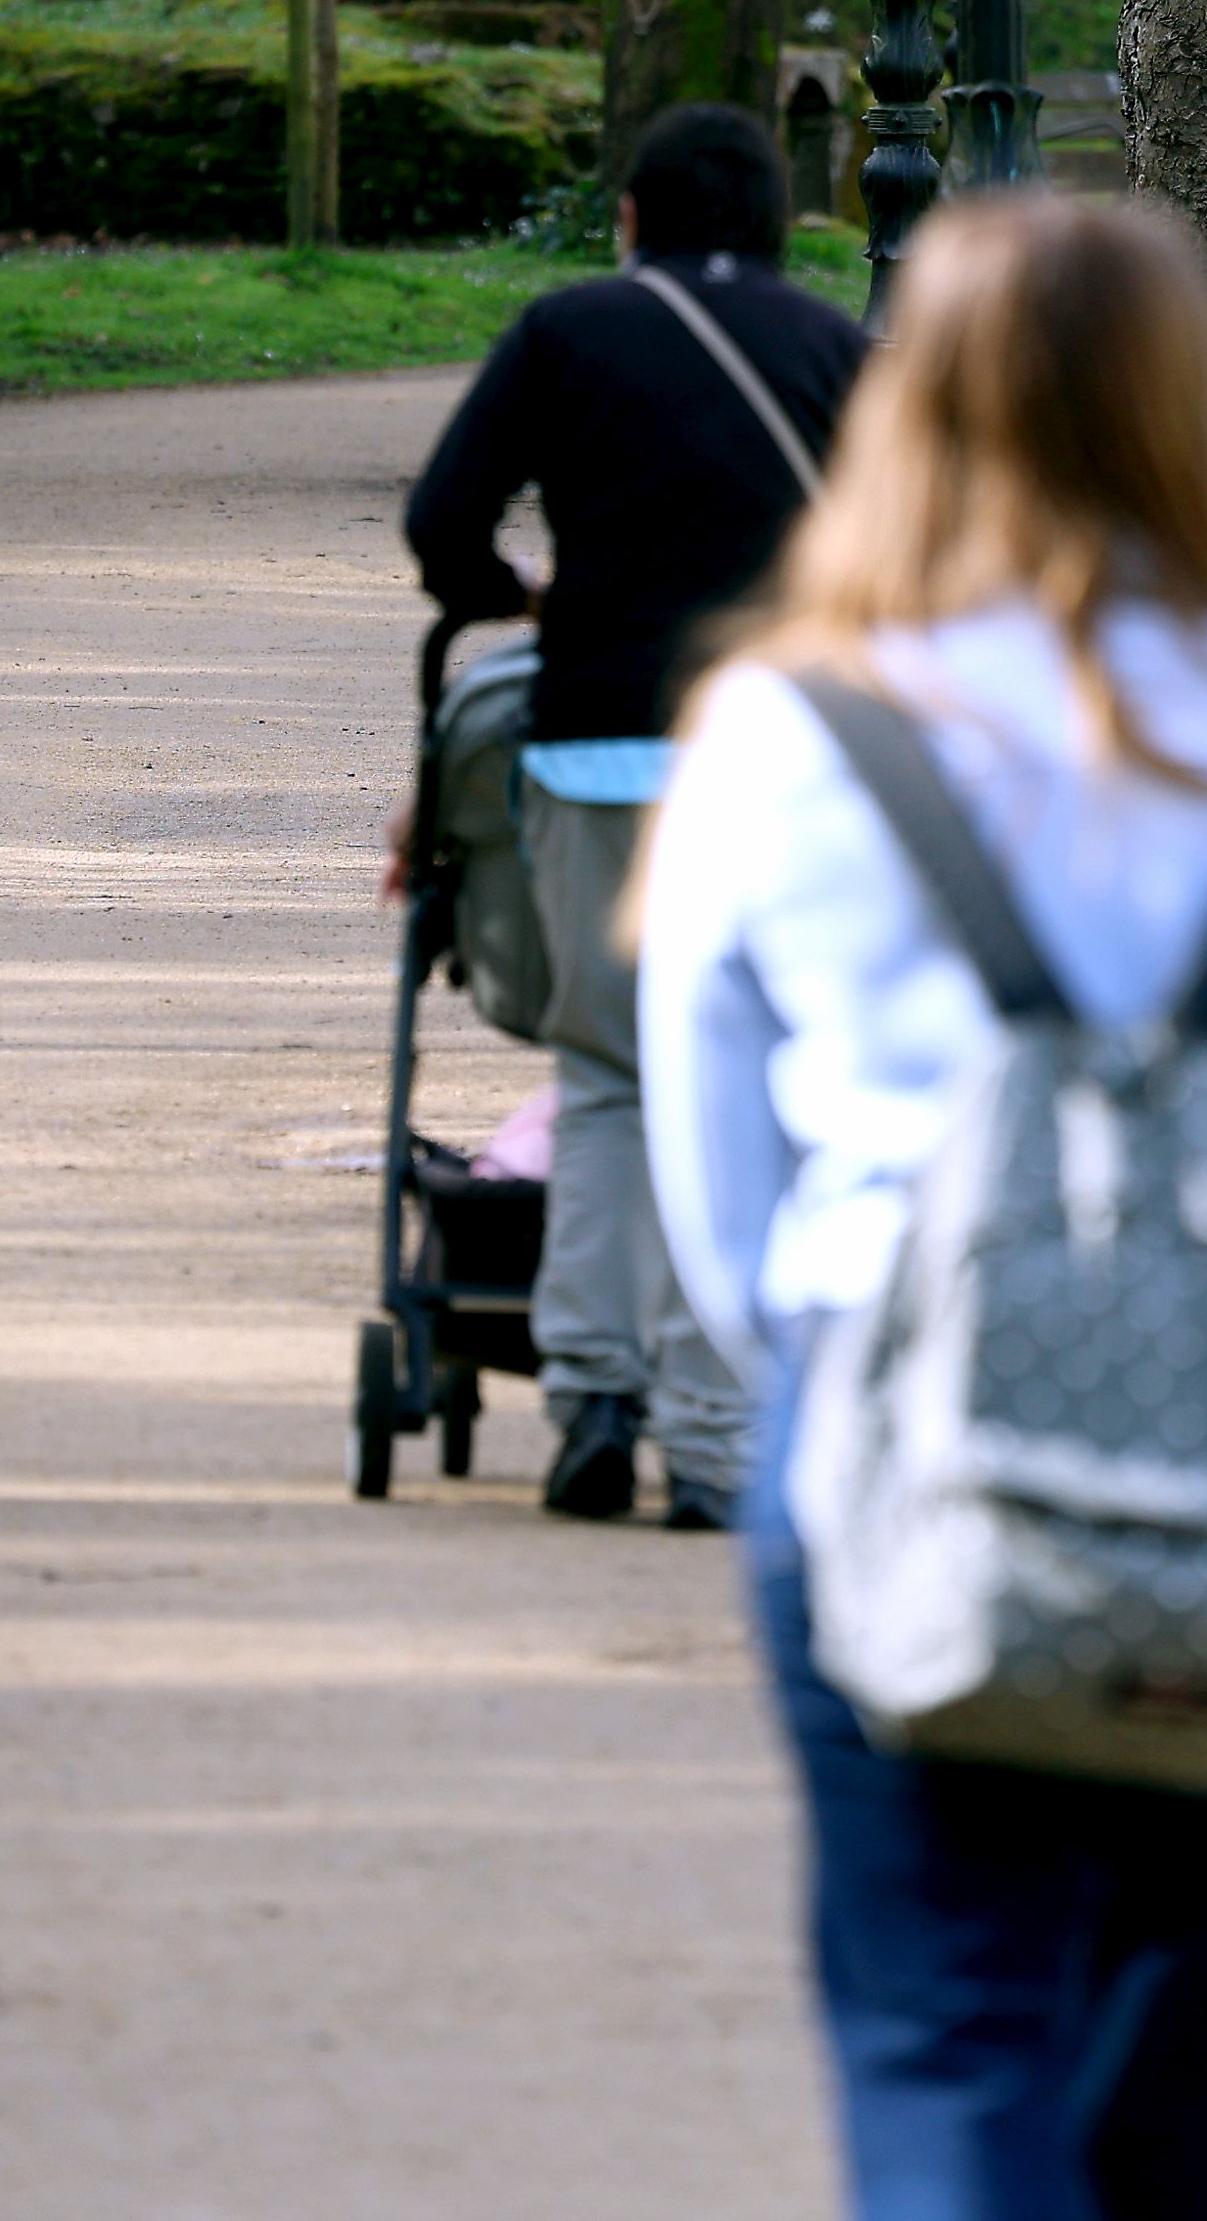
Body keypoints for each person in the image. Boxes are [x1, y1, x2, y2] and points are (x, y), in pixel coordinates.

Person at [636, 192, 1207, 2221]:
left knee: (947, 2027)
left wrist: (838, 1362)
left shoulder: (790, 730)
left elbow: (713, 1170)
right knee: (1192, 2063)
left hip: (882, 1414)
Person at [401, 101, 861, 1529]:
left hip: (596, 750)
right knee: (748, 1087)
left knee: (607, 1074)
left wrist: (525, 600)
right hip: (773, 761)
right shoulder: (836, 349)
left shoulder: (566, 330)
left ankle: (591, 1393)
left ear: (631, 219)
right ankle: (715, 1434)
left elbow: (441, 524)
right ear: (782, 224)